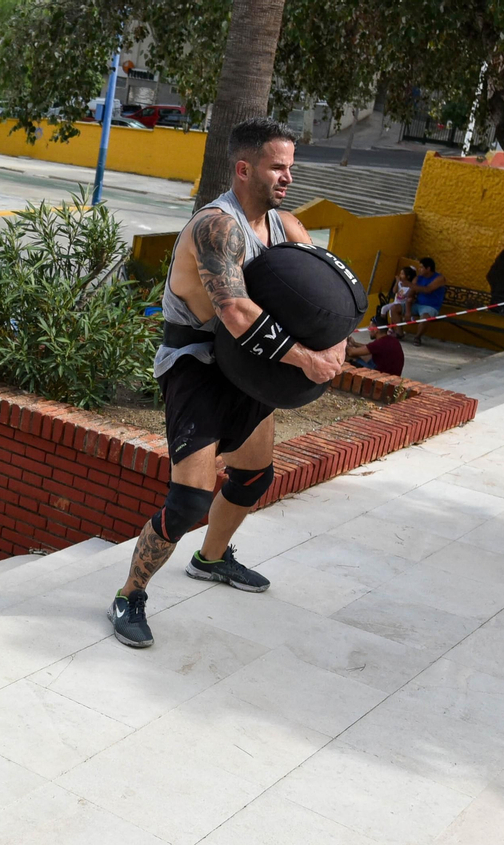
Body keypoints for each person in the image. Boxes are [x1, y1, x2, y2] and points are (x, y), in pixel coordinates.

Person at [109, 118, 345, 650]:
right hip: (198, 362)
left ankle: (211, 558)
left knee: (254, 476)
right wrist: (306, 359)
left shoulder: (290, 228)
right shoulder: (216, 226)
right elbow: (235, 310)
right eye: (276, 167)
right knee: (190, 500)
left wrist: (335, 344)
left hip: (253, 365)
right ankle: (130, 594)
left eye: (290, 167)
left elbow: (329, 298)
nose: (287, 177)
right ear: (244, 168)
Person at [406, 257, 447, 346]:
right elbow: (409, 295)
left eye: (421, 267)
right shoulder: (418, 278)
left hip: (431, 306)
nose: (419, 269)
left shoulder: (439, 278)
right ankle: (399, 333)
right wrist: (408, 312)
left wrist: (410, 285)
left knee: (425, 317)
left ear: (428, 268)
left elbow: (428, 290)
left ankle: (417, 337)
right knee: (394, 308)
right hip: (417, 304)